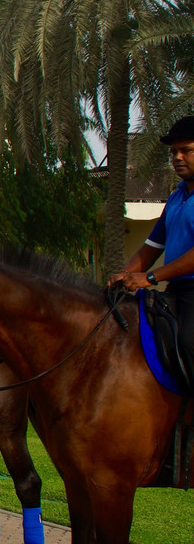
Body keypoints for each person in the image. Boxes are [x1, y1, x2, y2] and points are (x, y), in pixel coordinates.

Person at [111, 115, 194, 361]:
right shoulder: (176, 198)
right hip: (176, 290)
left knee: (189, 343)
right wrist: (124, 276)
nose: (177, 158)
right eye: (173, 152)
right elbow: (150, 248)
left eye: (186, 151)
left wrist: (150, 277)